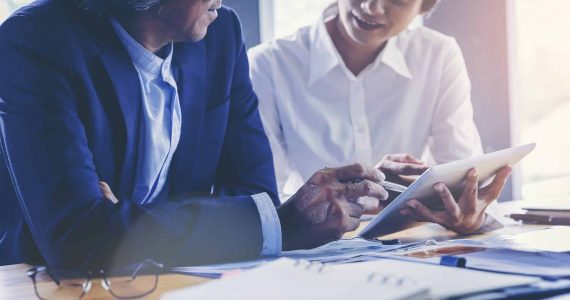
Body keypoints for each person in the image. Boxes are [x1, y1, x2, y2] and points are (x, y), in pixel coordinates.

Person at [0, 0, 392, 269]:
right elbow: (78, 238)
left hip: (176, 282)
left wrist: (124, 222)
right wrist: (278, 224)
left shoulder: (221, 34)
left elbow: (253, 197)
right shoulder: (35, 41)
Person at [248, 0, 511, 234]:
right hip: (311, 249)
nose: (371, 7)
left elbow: (463, 173)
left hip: (408, 245)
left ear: (424, 6)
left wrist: (466, 213)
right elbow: (263, 201)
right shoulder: (270, 65)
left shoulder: (438, 55)